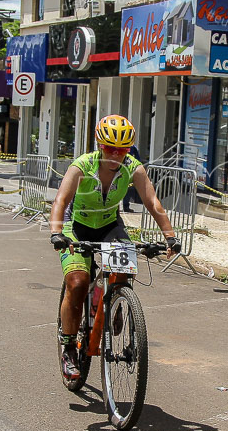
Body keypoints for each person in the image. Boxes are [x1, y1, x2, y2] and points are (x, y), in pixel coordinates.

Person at [50, 115, 181, 383]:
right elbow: (61, 201)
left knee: (123, 272)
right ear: (99, 145)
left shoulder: (133, 167)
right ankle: (68, 350)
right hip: (77, 228)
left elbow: (153, 202)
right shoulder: (82, 166)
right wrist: (56, 233)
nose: (115, 154)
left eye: (121, 150)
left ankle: (113, 302)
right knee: (77, 282)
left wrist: (170, 237)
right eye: (109, 148)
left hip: (110, 226)